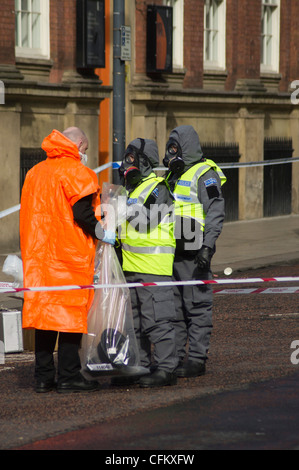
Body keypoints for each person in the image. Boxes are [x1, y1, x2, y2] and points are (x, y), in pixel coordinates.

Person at [20, 127, 116, 393]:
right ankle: (69, 376)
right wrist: (104, 233)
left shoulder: (35, 172)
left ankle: (43, 377)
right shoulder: (78, 173)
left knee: (44, 316)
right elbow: (83, 213)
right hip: (68, 256)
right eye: (85, 149)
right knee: (70, 317)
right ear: (81, 144)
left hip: (39, 257)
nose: (85, 153)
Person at [163, 125, 226, 378]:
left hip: (195, 252)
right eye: (170, 148)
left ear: (186, 148)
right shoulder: (173, 175)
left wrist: (208, 247)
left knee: (197, 307)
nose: (171, 153)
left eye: (175, 148)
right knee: (176, 309)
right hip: (173, 253)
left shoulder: (205, 174)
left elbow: (216, 211)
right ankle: (177, 357)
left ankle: (197, 359)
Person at [116, 138, 178, 387]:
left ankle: (166, 369)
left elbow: (144, 222)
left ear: (144, 162)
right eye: (126, 157)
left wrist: (122, 207)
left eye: (131, 158)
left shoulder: (157, 188)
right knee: (135, 323)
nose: (126, 163)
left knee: (158, 321)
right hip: (130, 267)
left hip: (154, 268)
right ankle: (139, 365)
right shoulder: (130, 190)